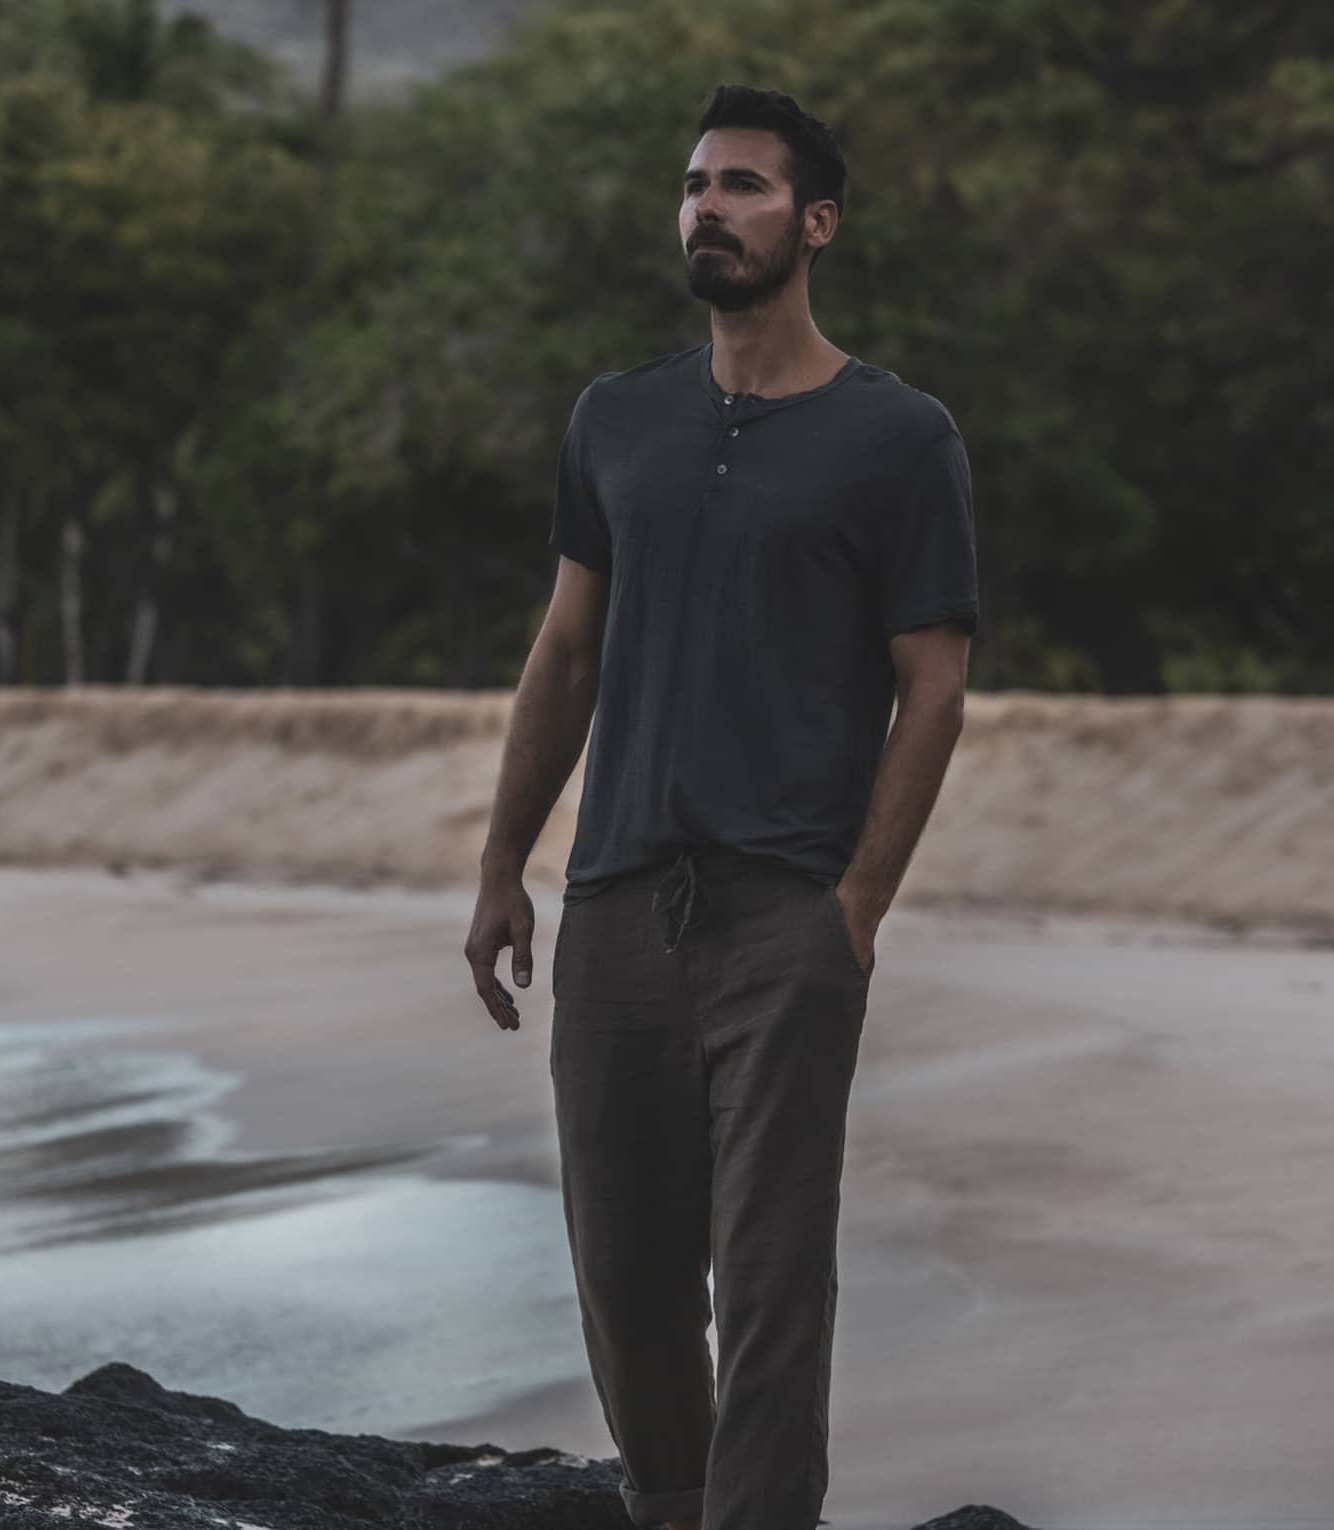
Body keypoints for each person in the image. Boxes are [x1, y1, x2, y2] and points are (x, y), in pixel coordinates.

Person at [465, 82, 978, 1530]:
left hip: (784, 913)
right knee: (624, 1274)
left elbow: (934, 686)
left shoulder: (899, 437)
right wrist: (503, 864)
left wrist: (854, 908)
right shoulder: (616, 419)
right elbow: (567, 653)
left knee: (767, 1278)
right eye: (696, 184)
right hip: (618, 901)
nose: (709, 207)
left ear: (815, 224)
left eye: (744, 186)